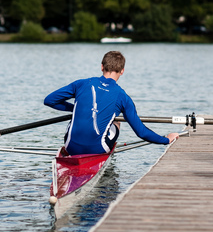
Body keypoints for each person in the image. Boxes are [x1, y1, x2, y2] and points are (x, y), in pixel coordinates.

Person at [44, 51, 179, 155]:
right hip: (97, 149)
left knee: (77, 118)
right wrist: (166, 139)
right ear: (122, 71)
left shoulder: (81, 84)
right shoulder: (123, 97)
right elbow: (141, 132)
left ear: (102, 67)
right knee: (117, 122)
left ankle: (70, 149)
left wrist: (76, 109)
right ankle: (104, 144)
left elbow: (49, 100)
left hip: (71, 147)